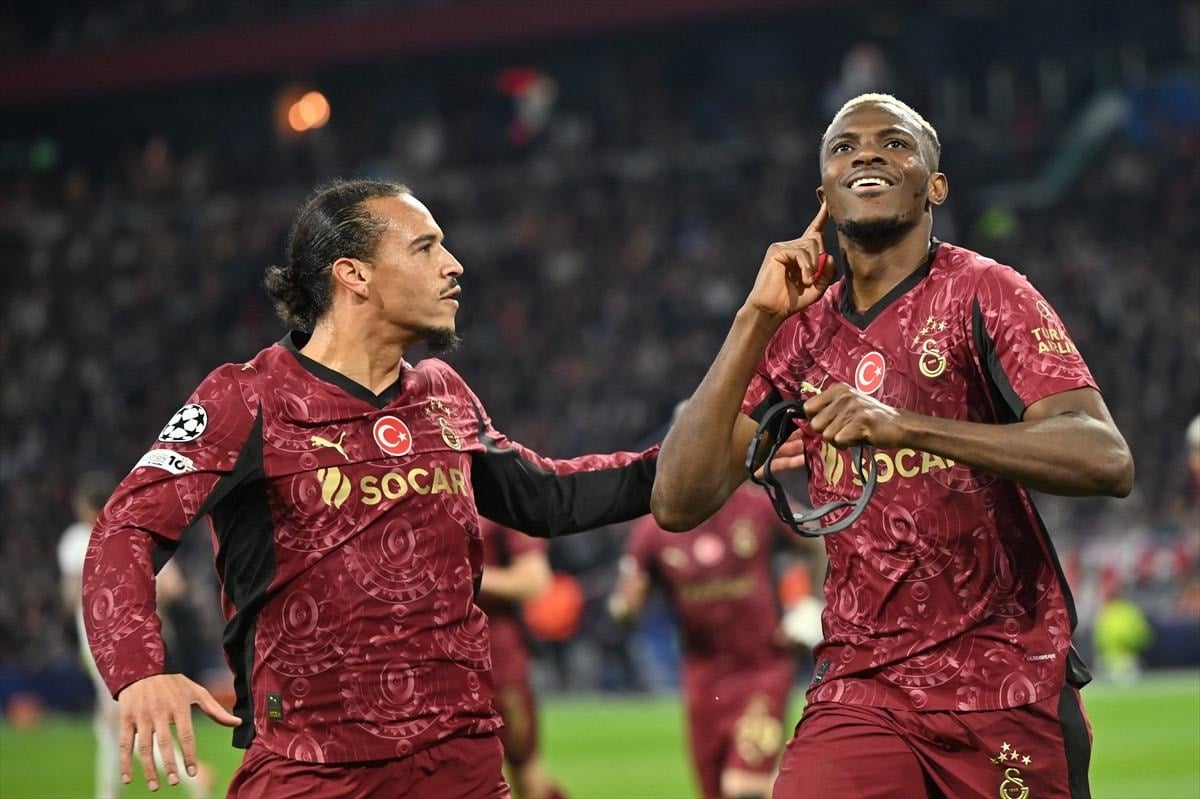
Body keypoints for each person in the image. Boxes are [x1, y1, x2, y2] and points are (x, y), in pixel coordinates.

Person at [81, 179, 657, 797]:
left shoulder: (443, 394)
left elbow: (546, 497)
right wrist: (139, 670)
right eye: (425, 247)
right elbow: (125, 527)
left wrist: (680, 463)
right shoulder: (247, 398)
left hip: (459, 764)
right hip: (311, 767)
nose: (454, 265)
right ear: (353, 275)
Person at [651, 93, 1134, 799]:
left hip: (1003, 678)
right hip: (862, 685)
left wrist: (904, 425)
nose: (868, 153)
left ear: (935, 187)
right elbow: (676, 500)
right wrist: (754, 317)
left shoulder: (987, 291)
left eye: (895, 143)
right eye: (844, 147)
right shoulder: (798, 329)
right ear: (824, 195)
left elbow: (1105, 458)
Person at [609, 482, 806, 799]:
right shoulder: (655, 527)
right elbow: (624, 603)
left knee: (742, 788)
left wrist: (805, 606)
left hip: (762, 669)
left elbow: (814, 541)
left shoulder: (756, 503)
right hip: (703, 679)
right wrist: (625, 607)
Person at [58, 472, 213, 798]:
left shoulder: (76, 541)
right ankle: (109, 792)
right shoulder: (138, 531)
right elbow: (174, 586)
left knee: (124, 716)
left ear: (84, 508)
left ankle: (189, 775)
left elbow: (71, 597)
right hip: (147, 635)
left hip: (102, 641)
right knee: (113, 719)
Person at [478, 519, 569, 799]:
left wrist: (463, 573)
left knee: (523, 764)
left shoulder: (495, 506)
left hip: (496, 658)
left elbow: (535, 580)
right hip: (434, 654)